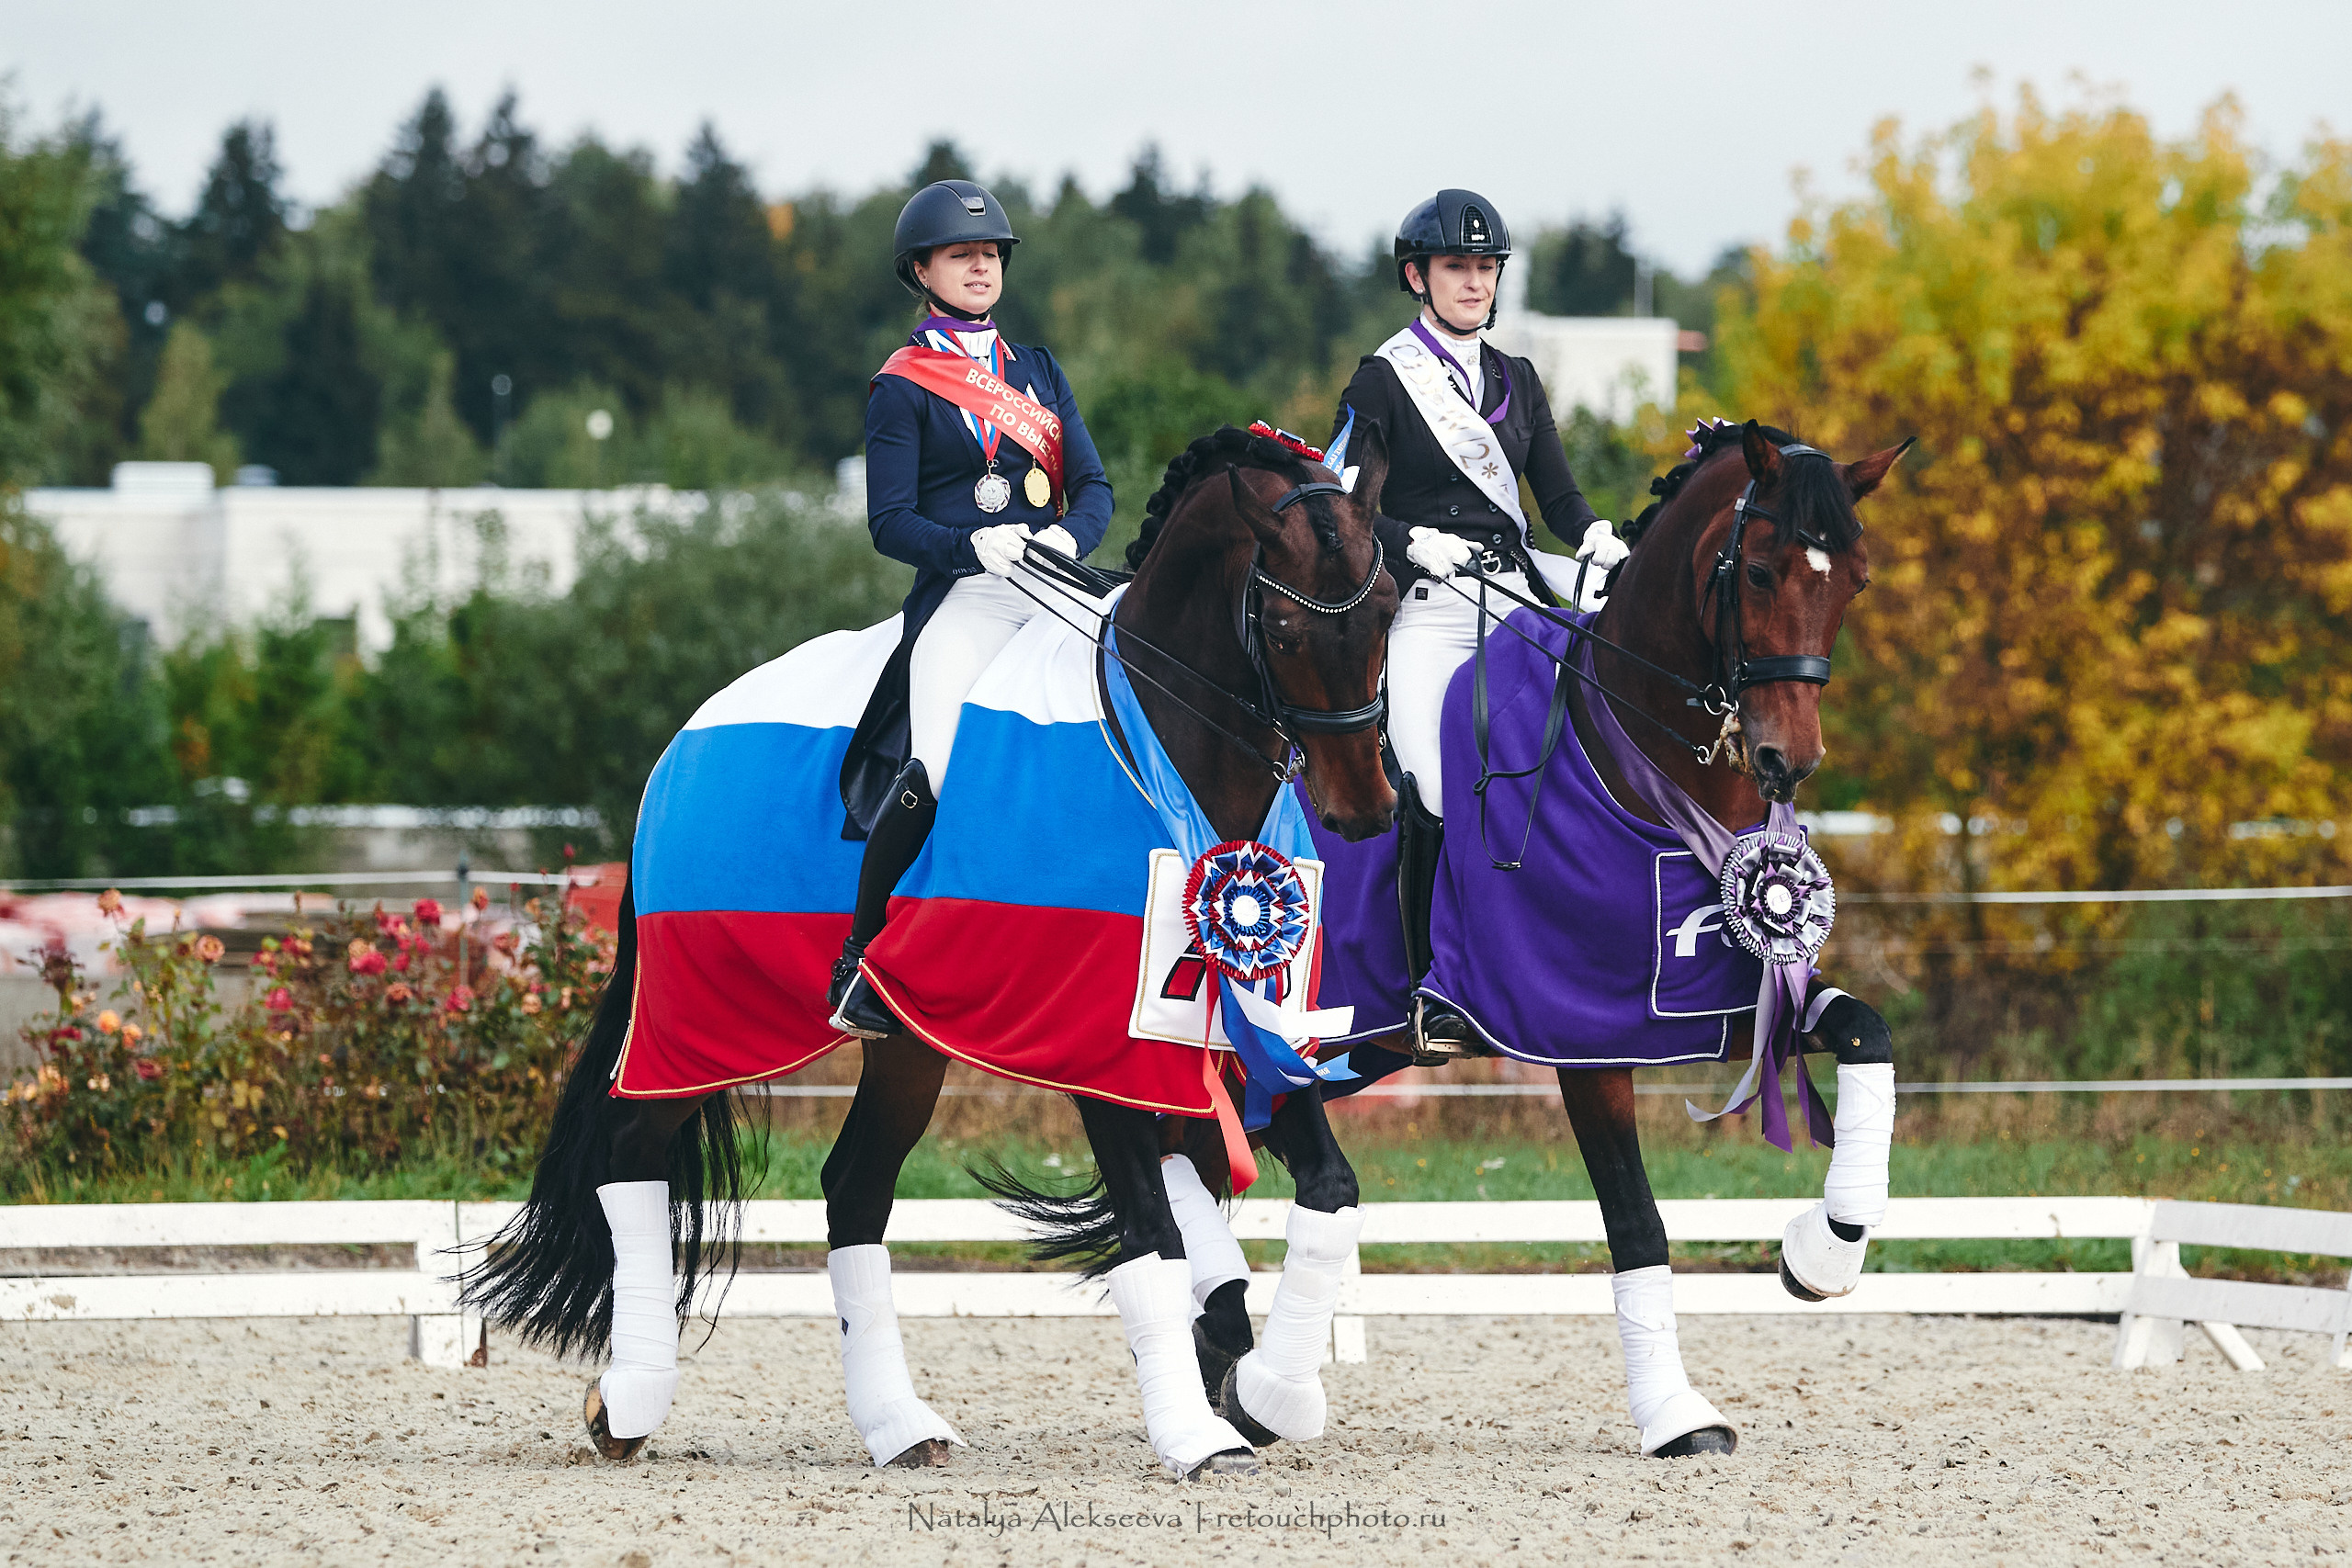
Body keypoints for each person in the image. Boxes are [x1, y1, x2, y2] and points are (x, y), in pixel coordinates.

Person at [1324, 187, 1628, 1055]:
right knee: (1426, 775)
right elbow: (1343, 505)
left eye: (1486, 268)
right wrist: (1414, 542)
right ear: (1418, 276)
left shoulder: (1517, 378)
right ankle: (1434, 988)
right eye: (1457, 267)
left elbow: (1559, 497)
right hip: (1431, 612)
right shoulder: (1382, 379)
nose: (1474, 282)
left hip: (1523, 596)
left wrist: (1596, 535)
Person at [826, 179, 1114, 1037]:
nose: (981, 266)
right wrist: (968, 549)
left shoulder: (1039, 372)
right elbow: (889, 521)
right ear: (922, 270)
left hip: (1054, 586)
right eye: (962, 254)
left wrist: (1069, 540)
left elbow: (1094, 486)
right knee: (942, 768)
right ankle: (863, 957)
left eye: (989, 253)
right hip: (969, 592)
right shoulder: (901, 385)